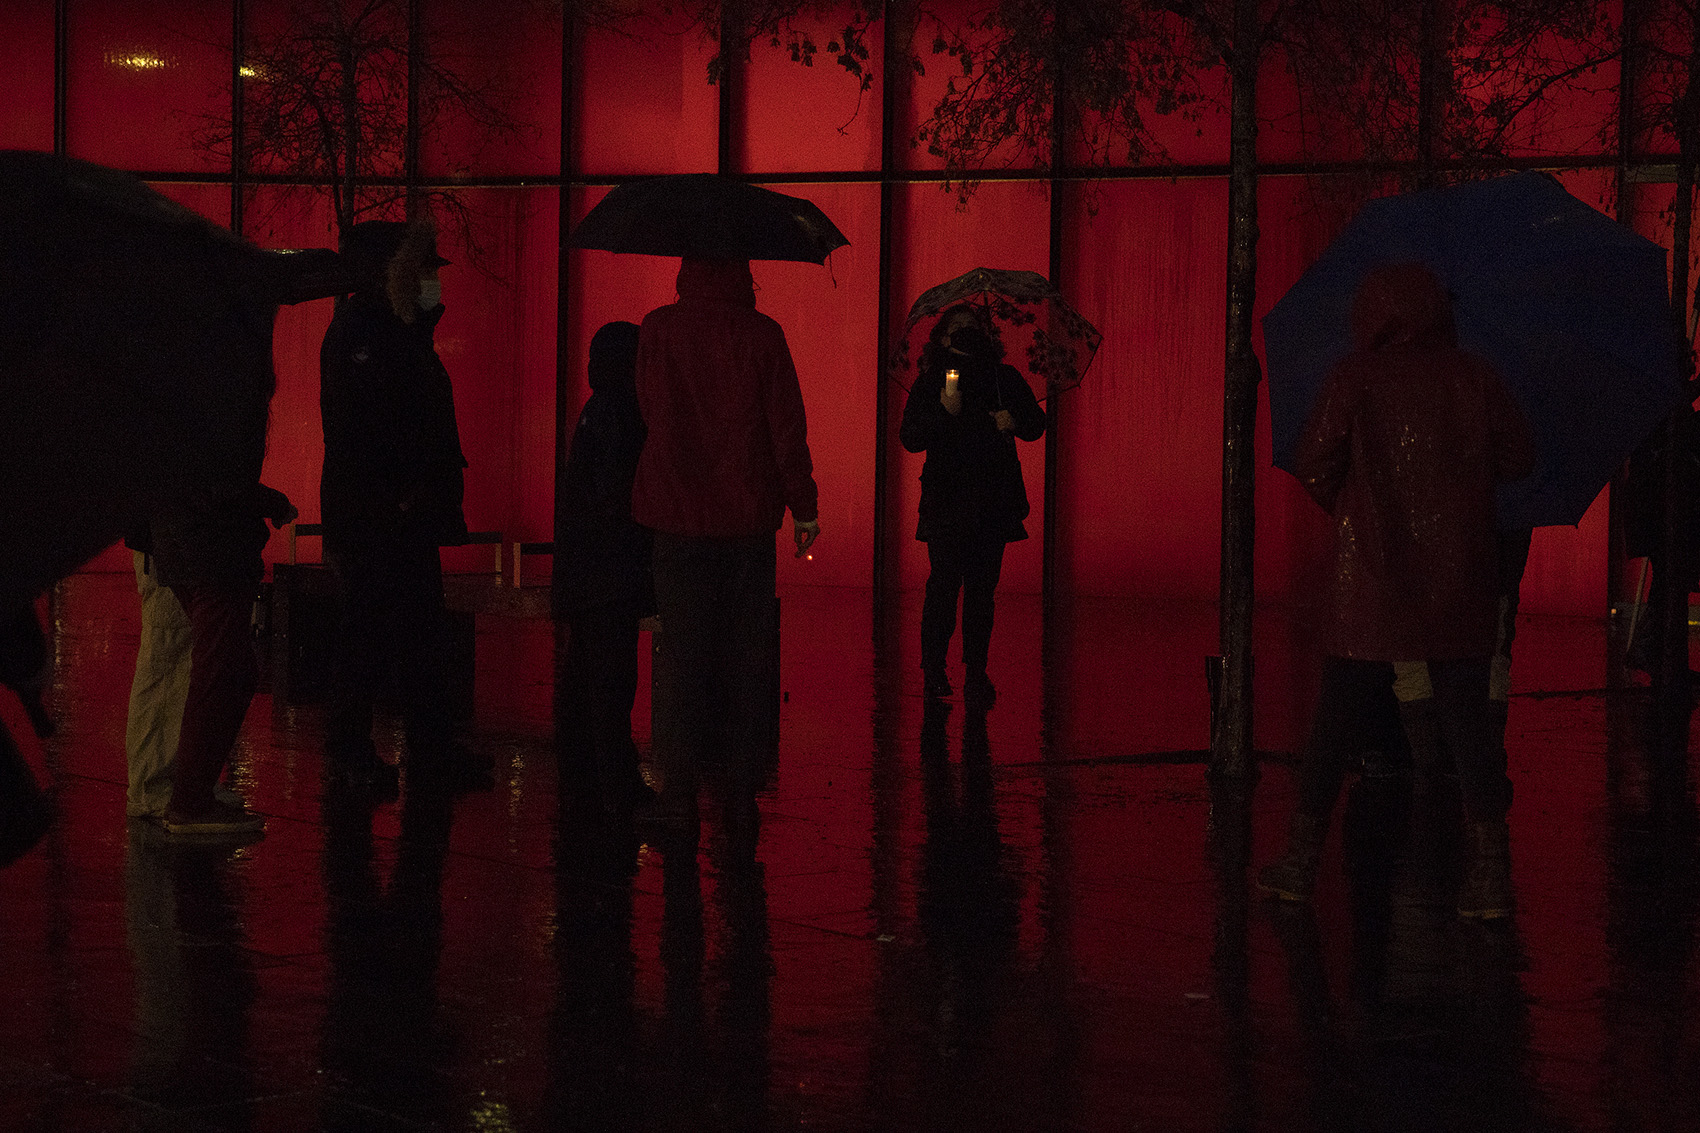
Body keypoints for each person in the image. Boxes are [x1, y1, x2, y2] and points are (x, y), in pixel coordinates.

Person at [1258, 263, 1534, 919]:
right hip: (1460, 577)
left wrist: (1356, 509)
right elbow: (1519, 458)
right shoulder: (1476, 376)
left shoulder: (1354, 377)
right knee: (1472, 732)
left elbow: (1316, 461)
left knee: (1334, 724)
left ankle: (1299, 862)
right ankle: (1491, 876)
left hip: (1370, 585)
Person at [631, 258, 820, 829]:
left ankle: (679, 794)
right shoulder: (763, 336)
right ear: (743, 275)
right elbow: (786, 426)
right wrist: (804, 508)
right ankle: (739, 792)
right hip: (747, 521)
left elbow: (649, 411)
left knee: (684, 658)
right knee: (744, 657)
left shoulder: (657, 330)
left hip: (676, 516)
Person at [319, 217, 490, 794]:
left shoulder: (388, 331)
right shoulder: (367, 334)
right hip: (382, 515)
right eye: (422, 270)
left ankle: (425, 748)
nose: (432, 283)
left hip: (397, 513)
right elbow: (366, 429)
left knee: (414, 635)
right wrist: (403, 493)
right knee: (369, 635)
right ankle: (356, 753)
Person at [899, 304, 1046, 704]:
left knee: (982, 592)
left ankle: (976, 672)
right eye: (958, 328)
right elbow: (910, 437)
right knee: (943, 588)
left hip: (992, 501)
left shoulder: (1003, 378)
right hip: (946, 501)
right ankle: (934, 671)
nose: (967, 333)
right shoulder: (932, 382)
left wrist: (1012, 420)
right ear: (943, 337)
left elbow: (1035, 423)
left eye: (973, 326)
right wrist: (943, 415)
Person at [150, 467, 295, 835]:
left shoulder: (176, 421)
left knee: (229, 669)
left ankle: (192, 793)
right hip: (212, 548)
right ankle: (190, 802)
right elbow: (223, 482)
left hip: (181, 542)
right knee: (221, 673)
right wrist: (274, 502)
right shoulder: (221, 416)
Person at [555, 320, 655, 814]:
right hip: (611, 573)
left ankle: (588, 782)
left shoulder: (598, 410)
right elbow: (621, 497)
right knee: (612, 682)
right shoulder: (625, 413)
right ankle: (616, 788)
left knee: (588, 680)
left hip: (587, 572)